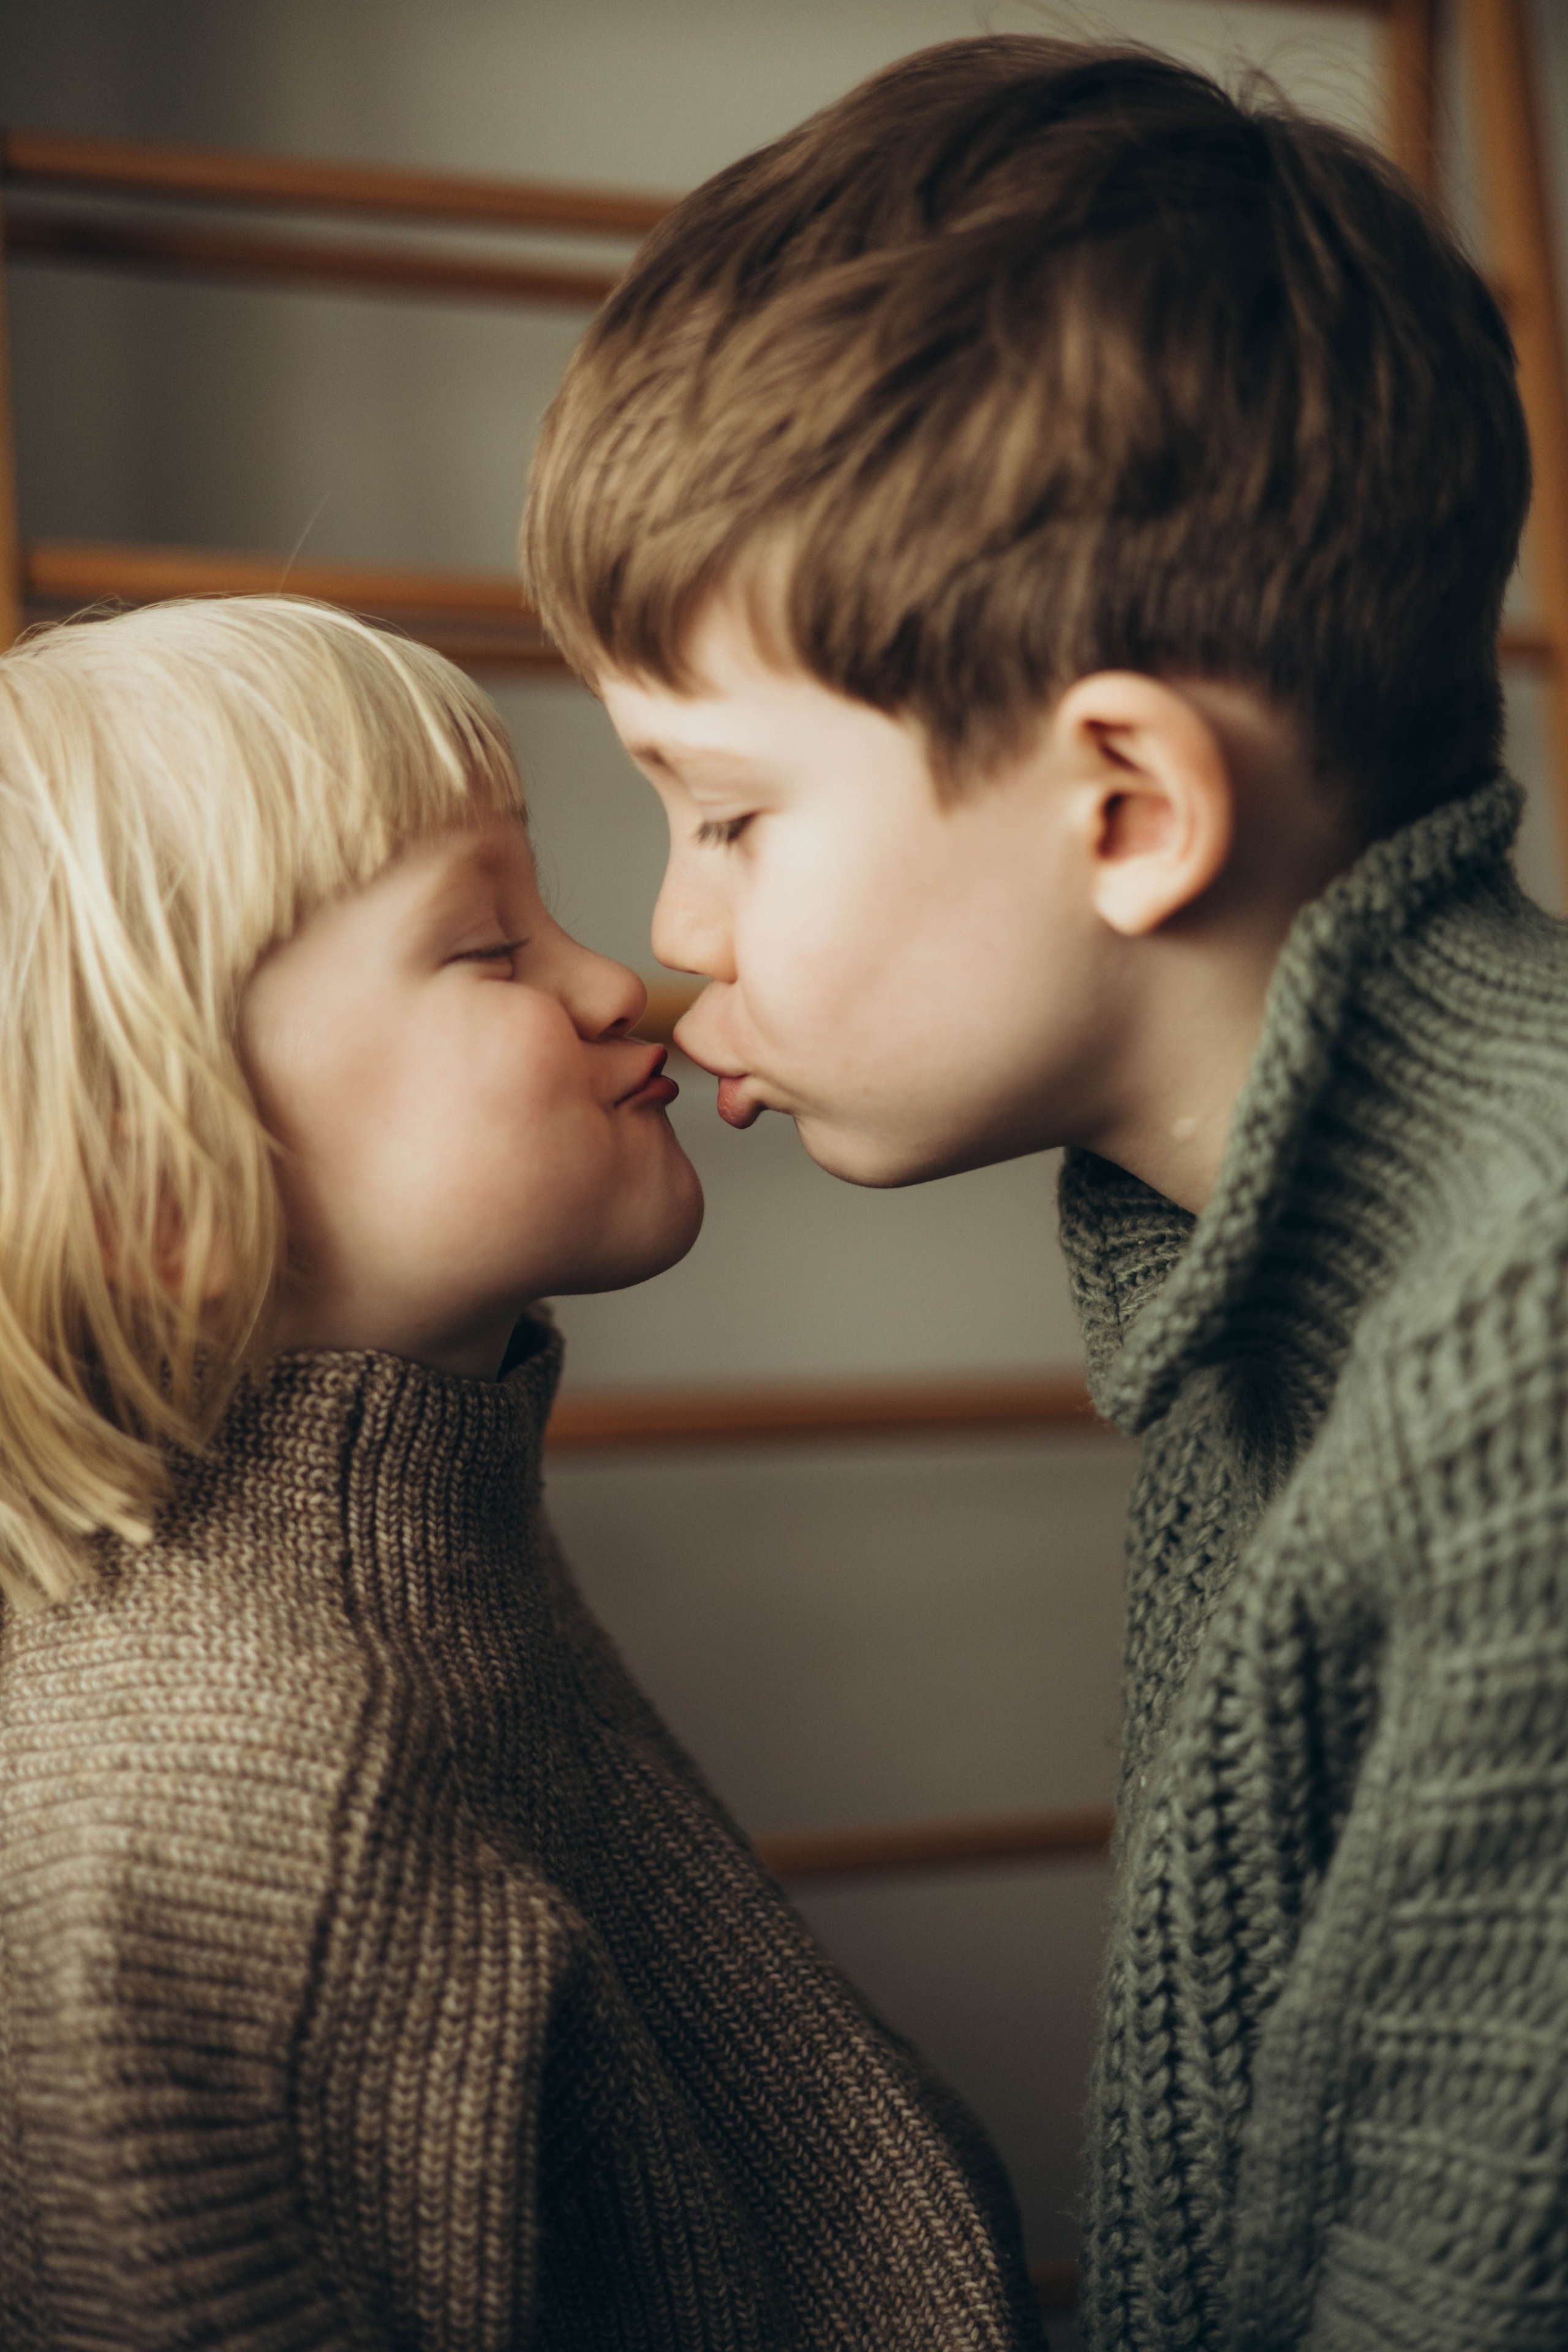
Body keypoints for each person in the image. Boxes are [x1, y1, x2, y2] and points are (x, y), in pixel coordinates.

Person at [523, 34, 1567, 2348]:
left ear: (1125, 808)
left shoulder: (1529, 1351)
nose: (675, 932)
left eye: (730, 813)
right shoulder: (1265, 1251)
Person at [0, 595, 1042, 2351]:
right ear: (167, 1191)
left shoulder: (425, 1548)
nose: (613, 977)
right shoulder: (234, 1813)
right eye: (488, 948)